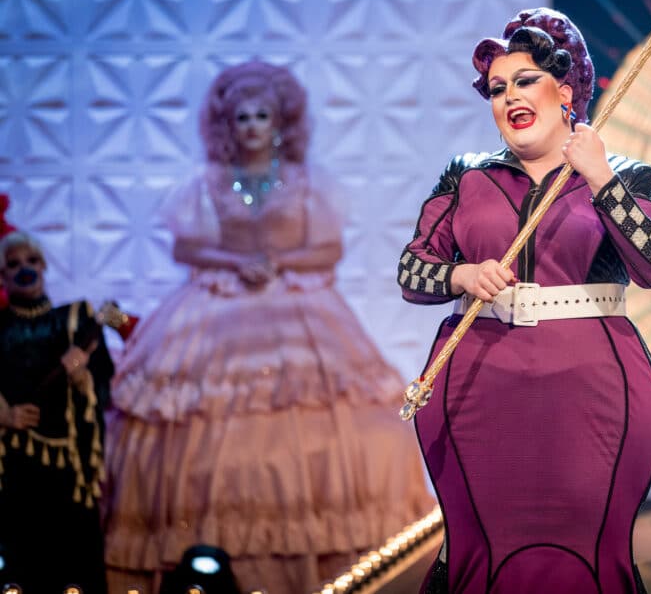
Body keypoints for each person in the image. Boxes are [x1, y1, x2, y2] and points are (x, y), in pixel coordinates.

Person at [104, 60, 433, 593]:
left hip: (298, 304)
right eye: (242, 117)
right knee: (202, 426)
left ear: (281, 123)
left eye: (262, 115)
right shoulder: (207, 182)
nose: (252, 125)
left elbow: (329, 246)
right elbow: (185, 245)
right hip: (217, 303)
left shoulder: (306, 182)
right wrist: (236, 263)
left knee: (319, 419)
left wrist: (279, 263)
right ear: (226, 125)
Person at [397, 7, 651, 593]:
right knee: (481, 546)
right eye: (497, 89)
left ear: (567, 88)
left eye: (525, 80)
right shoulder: (466, 174)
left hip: (594, 389)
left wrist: (601, 179)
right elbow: (410, 271)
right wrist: (461, 277)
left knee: (588, 545)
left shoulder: (623, 173)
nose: (508, 98)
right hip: (476, 386)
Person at [0, 231, 114, 593]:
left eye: (31, 262)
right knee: (22, 561)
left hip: (67, 465)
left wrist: (83, 373)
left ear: (44, 266)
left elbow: (105, 383)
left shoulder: (76, 320)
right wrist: (4, 415)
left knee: (74, 560)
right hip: (12, 466)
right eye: (14, 264)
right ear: (2, 276)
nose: (25, 270)